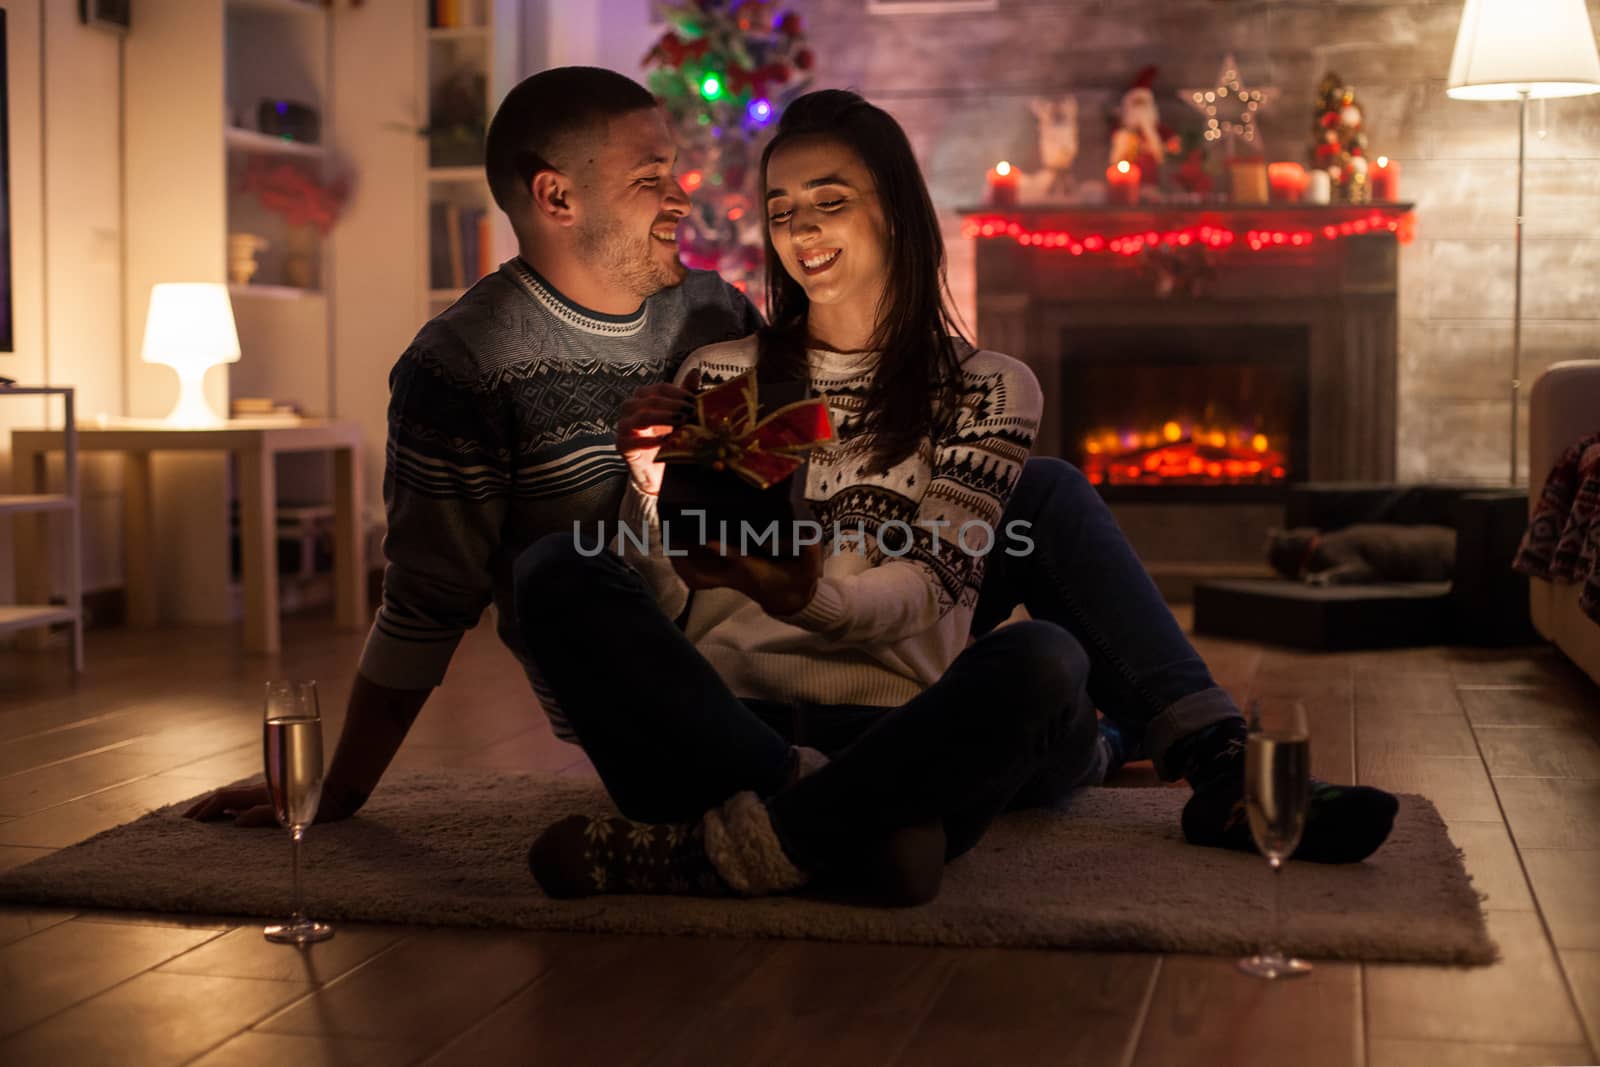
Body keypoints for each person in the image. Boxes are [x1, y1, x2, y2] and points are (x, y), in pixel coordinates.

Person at [186, 69, 1396, 875]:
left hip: (845, 642)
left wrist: (775, 568)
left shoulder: (712, 316)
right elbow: (433, 595)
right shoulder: (468, 366)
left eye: (822, 203)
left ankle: (1191, 756)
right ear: (556, 197)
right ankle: (916, 801)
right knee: (567, 566)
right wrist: (339, 787)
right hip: (663, 680)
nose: (695, 199)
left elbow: (894, 566)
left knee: (1045, 525)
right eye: (656, 175)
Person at [519, 88, 1087, 903]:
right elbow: (665, 599)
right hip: (717, 726)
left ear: (896, 211)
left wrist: (808, 597)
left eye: (830, 201)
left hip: (891, 729)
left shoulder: (989, 389)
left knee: (1048, 659)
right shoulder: (716, 372)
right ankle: (829, 817)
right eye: (781, 208)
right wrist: (648, 482)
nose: (800, 230)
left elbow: (930, 587)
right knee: (554, 572)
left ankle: (709, 854)